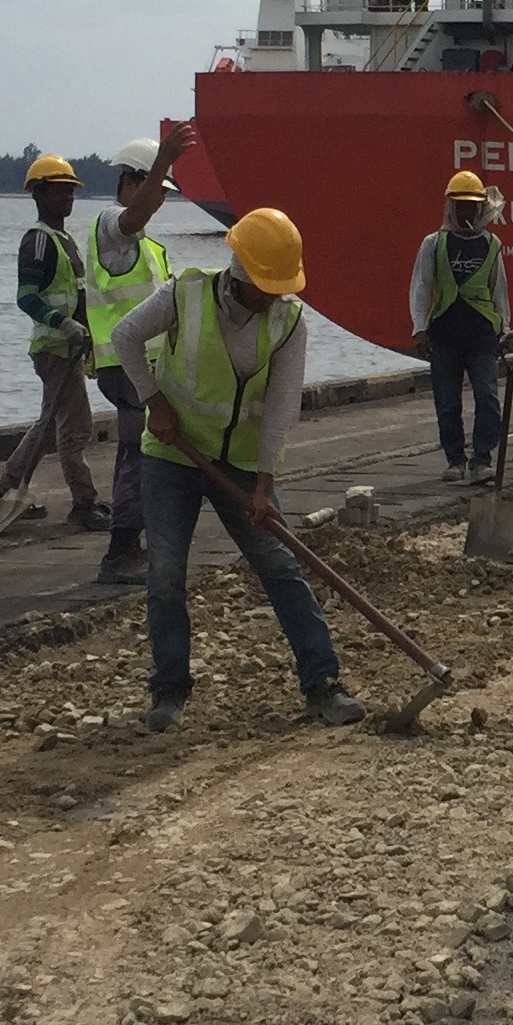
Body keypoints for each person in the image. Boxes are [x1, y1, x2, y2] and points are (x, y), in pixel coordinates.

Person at [108, 206, 365, 733]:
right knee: (163, 573)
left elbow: (280, 409)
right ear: (242, 273)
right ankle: (169, 692)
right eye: (266, 285)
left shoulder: (289, 322)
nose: (274, 295)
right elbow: (124, 338)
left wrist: (264, 486)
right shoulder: (185, 294)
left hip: (243, 464)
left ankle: (322, 683)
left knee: (280, 567)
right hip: (175, 457)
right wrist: (153, 401)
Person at [87, 124, 194, 584]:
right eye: (155, 188)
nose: (161, 201)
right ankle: (120, 553)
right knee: (136, 454)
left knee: (145, 452)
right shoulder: (113, 226)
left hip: (143, 368)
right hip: (124, 364)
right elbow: (133, 217)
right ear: (132, 181)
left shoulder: (148, 246)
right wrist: (164, 162)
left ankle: (137, 543)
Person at [0, 152, 107, 532]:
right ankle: (83, 502)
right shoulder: (38, 242)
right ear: (38, 194)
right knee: (74, 426)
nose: (68, 198)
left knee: (52, 423)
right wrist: (64, 325)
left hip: (68, 348)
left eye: (71, 191)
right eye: (60, 191)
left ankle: (6, 492)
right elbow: (27, 297)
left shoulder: (64, 240)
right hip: (54, 349)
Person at [409, 169, 509, 482]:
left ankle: (482, 458)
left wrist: (504, 330)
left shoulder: (492, 245)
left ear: (481, 208)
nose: (466, 212)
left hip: (481, 334)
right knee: (447, 401)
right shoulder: (433, 244)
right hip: (445, 333)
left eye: (472, 206)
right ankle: (455, 460)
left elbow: (499, 290)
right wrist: (419, 328)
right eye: (460, 205)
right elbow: (421, 286)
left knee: (487, 396)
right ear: (451, 207)